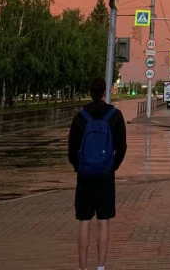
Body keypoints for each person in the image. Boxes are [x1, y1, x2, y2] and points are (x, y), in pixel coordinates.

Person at [68, 77, 127, 270]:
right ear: (104, 92)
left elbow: (71, 150)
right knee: (103, 221)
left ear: (90, 92)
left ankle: (82, 267)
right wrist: (112, 166)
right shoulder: (115, 115)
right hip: (105, 176)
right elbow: (122, 147)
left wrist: (80, 167)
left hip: (85, 176)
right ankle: (101, 266)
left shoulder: (80, 117)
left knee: (84, 221)